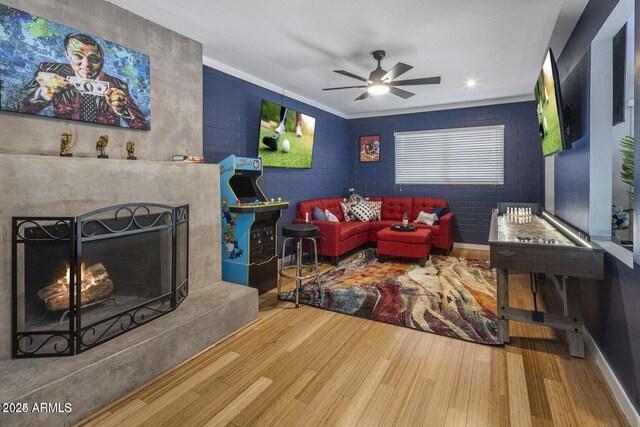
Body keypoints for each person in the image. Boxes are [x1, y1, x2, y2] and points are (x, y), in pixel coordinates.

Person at [15, 33, 148, 129]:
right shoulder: (50, 72)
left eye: (93, 59)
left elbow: (141, 124)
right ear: (68, 55)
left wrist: (123, 110)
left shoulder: (117, 85)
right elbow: (14, 105)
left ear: (102, 59)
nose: (86, 64)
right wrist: (43, 94)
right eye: (78, 57)